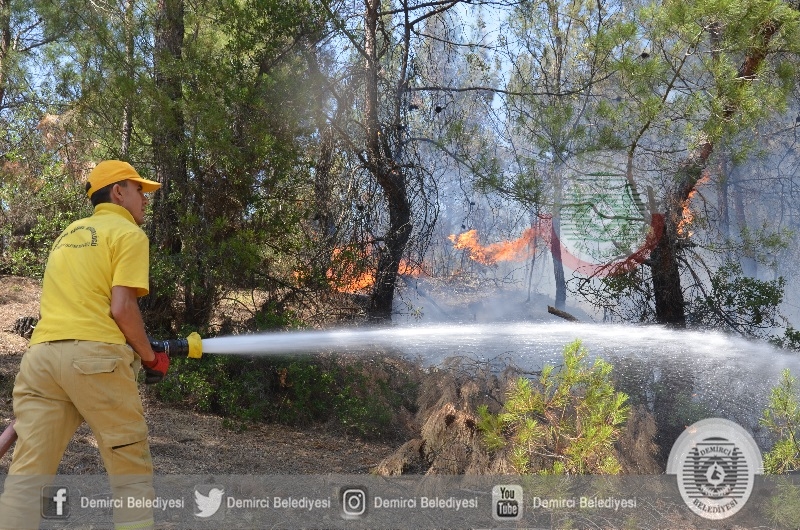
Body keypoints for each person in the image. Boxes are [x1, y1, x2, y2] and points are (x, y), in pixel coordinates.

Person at [0, 160, 170, 530]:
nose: (145, 198)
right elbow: (122, 308)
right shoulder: (128, 234)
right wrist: (150, 357)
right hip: (96, 360)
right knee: (130, 468)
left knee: (27, 476)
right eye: (139, 189)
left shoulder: (67, 234)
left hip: (41, 361)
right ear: (118, 192)